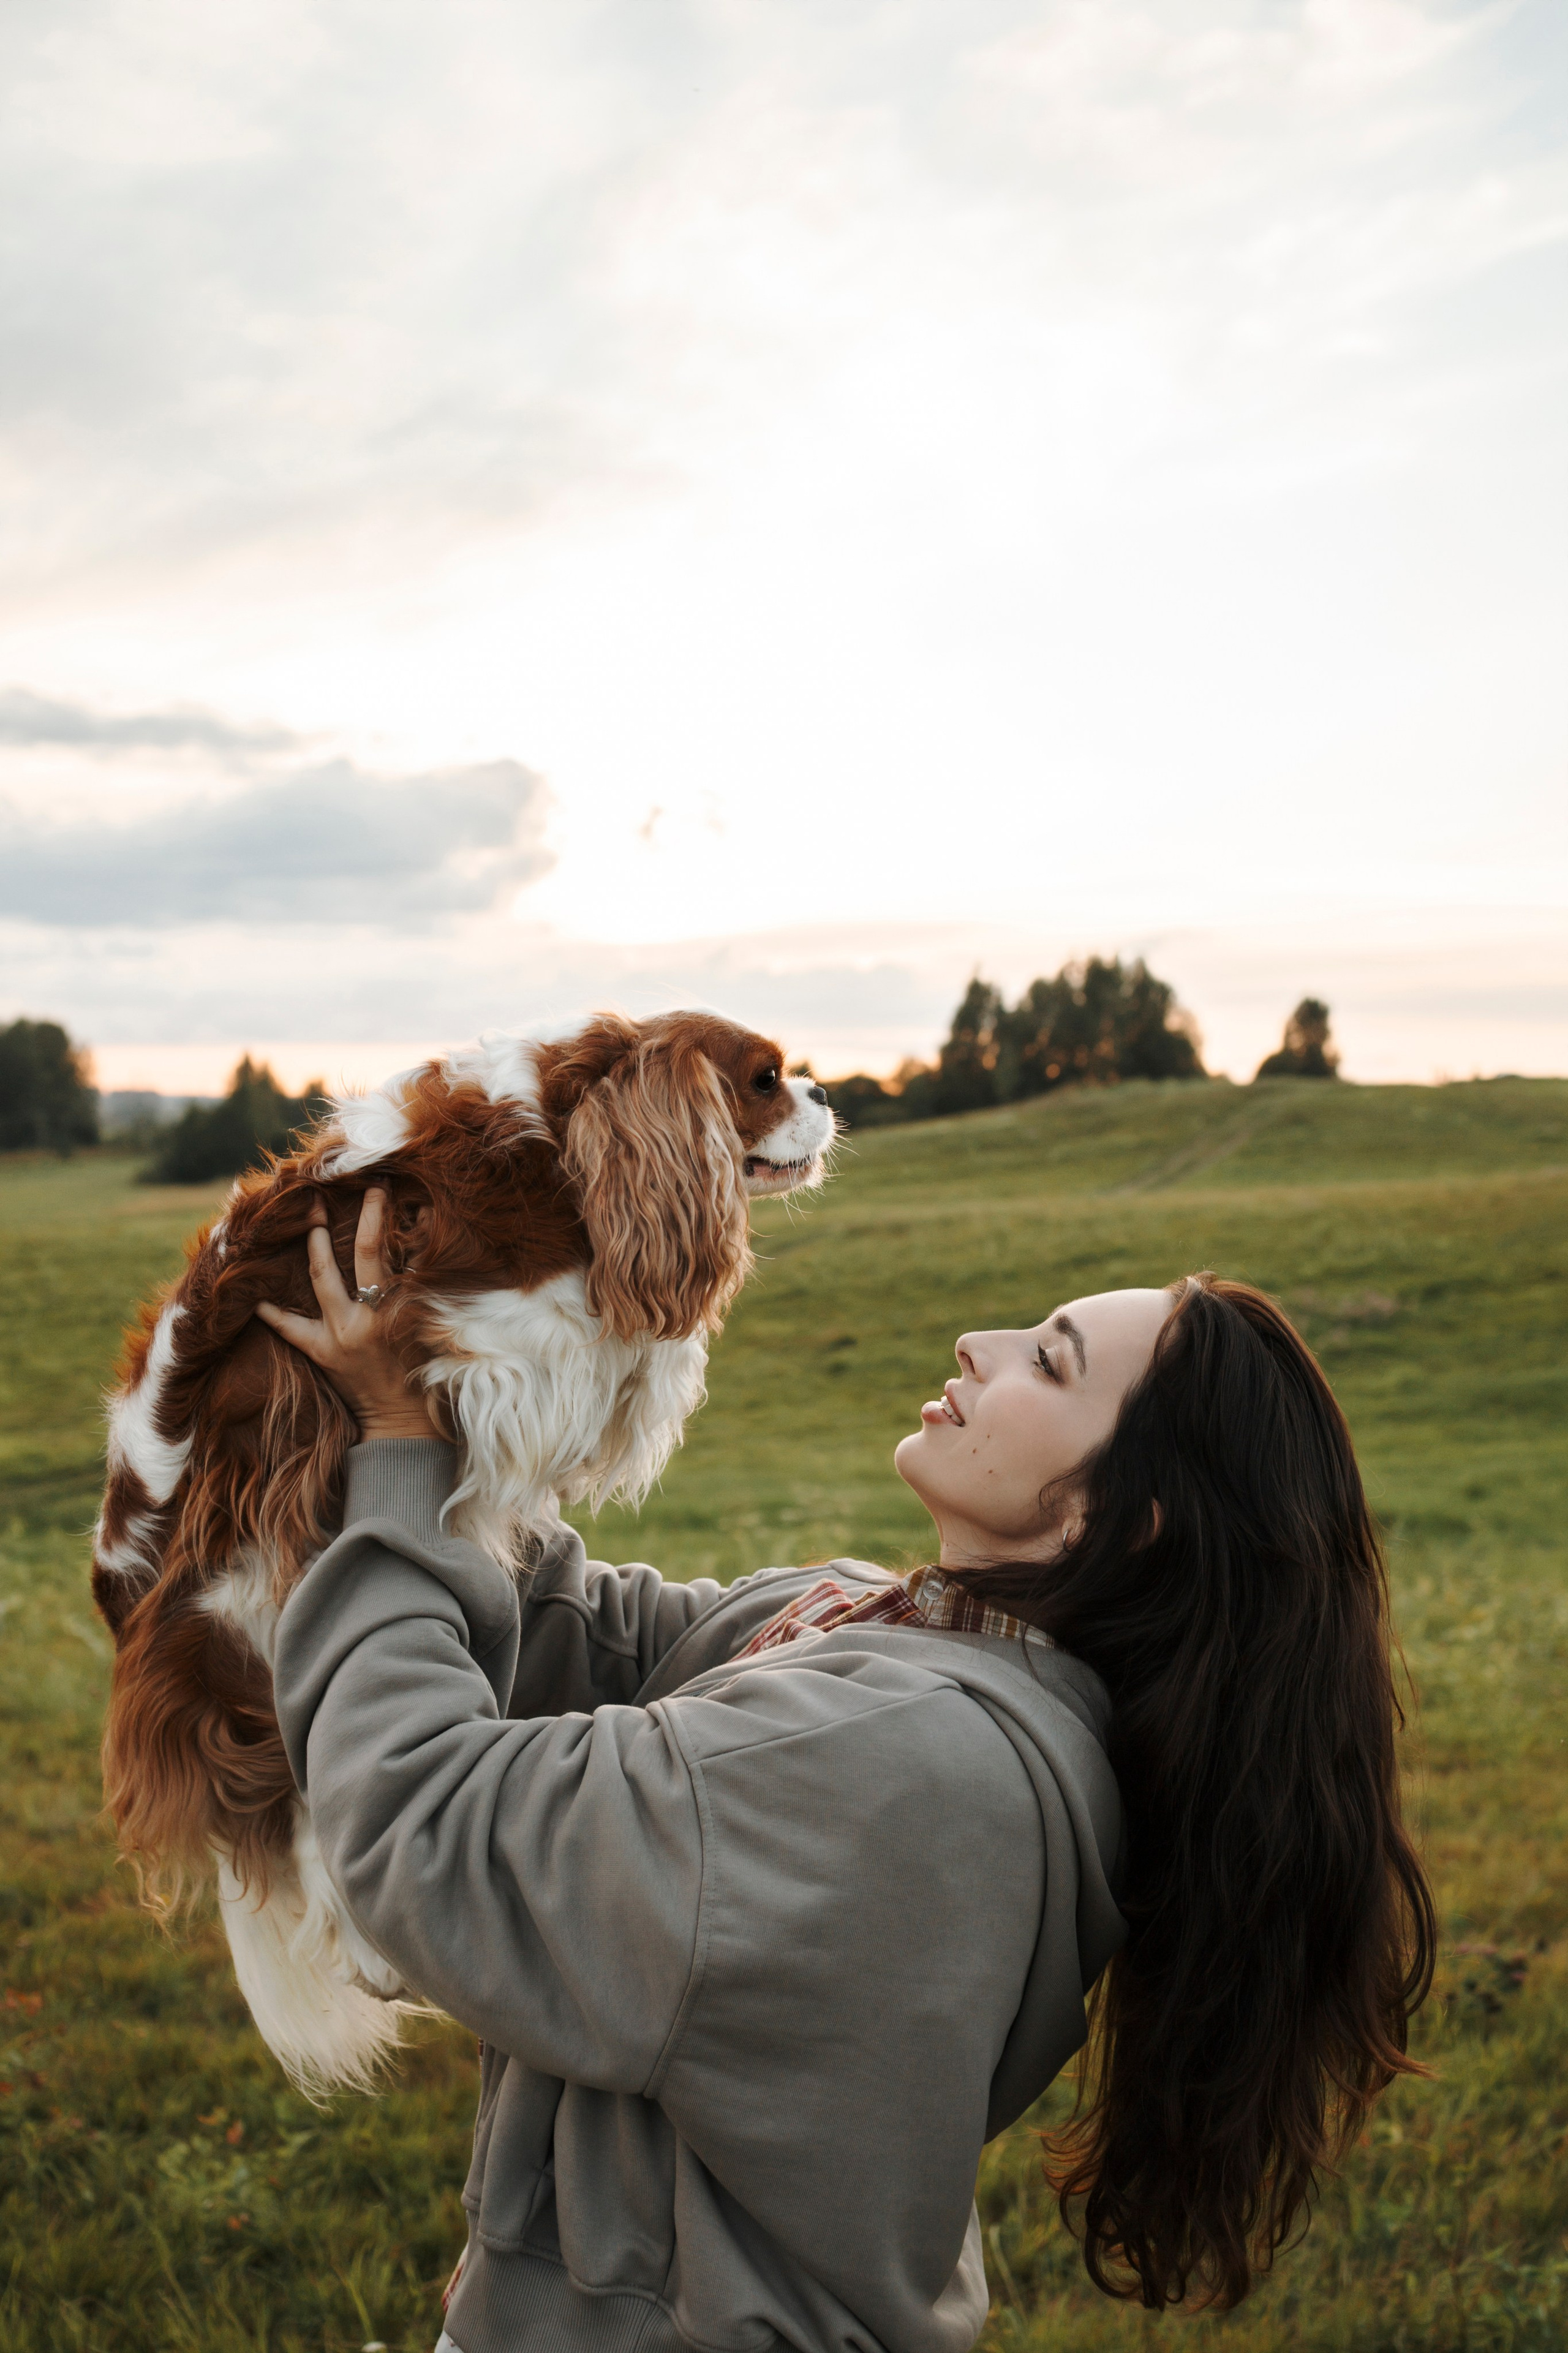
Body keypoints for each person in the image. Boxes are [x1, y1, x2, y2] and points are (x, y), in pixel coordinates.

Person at [260, 1192, 1434, 2353]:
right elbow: (595, 1637)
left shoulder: (905, 1765)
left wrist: (404, 1458)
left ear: (1120, 1524)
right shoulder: (900, 1632)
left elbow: (427, 1821)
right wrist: (450, 1410)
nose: (983, 1341)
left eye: (1053, 1364)